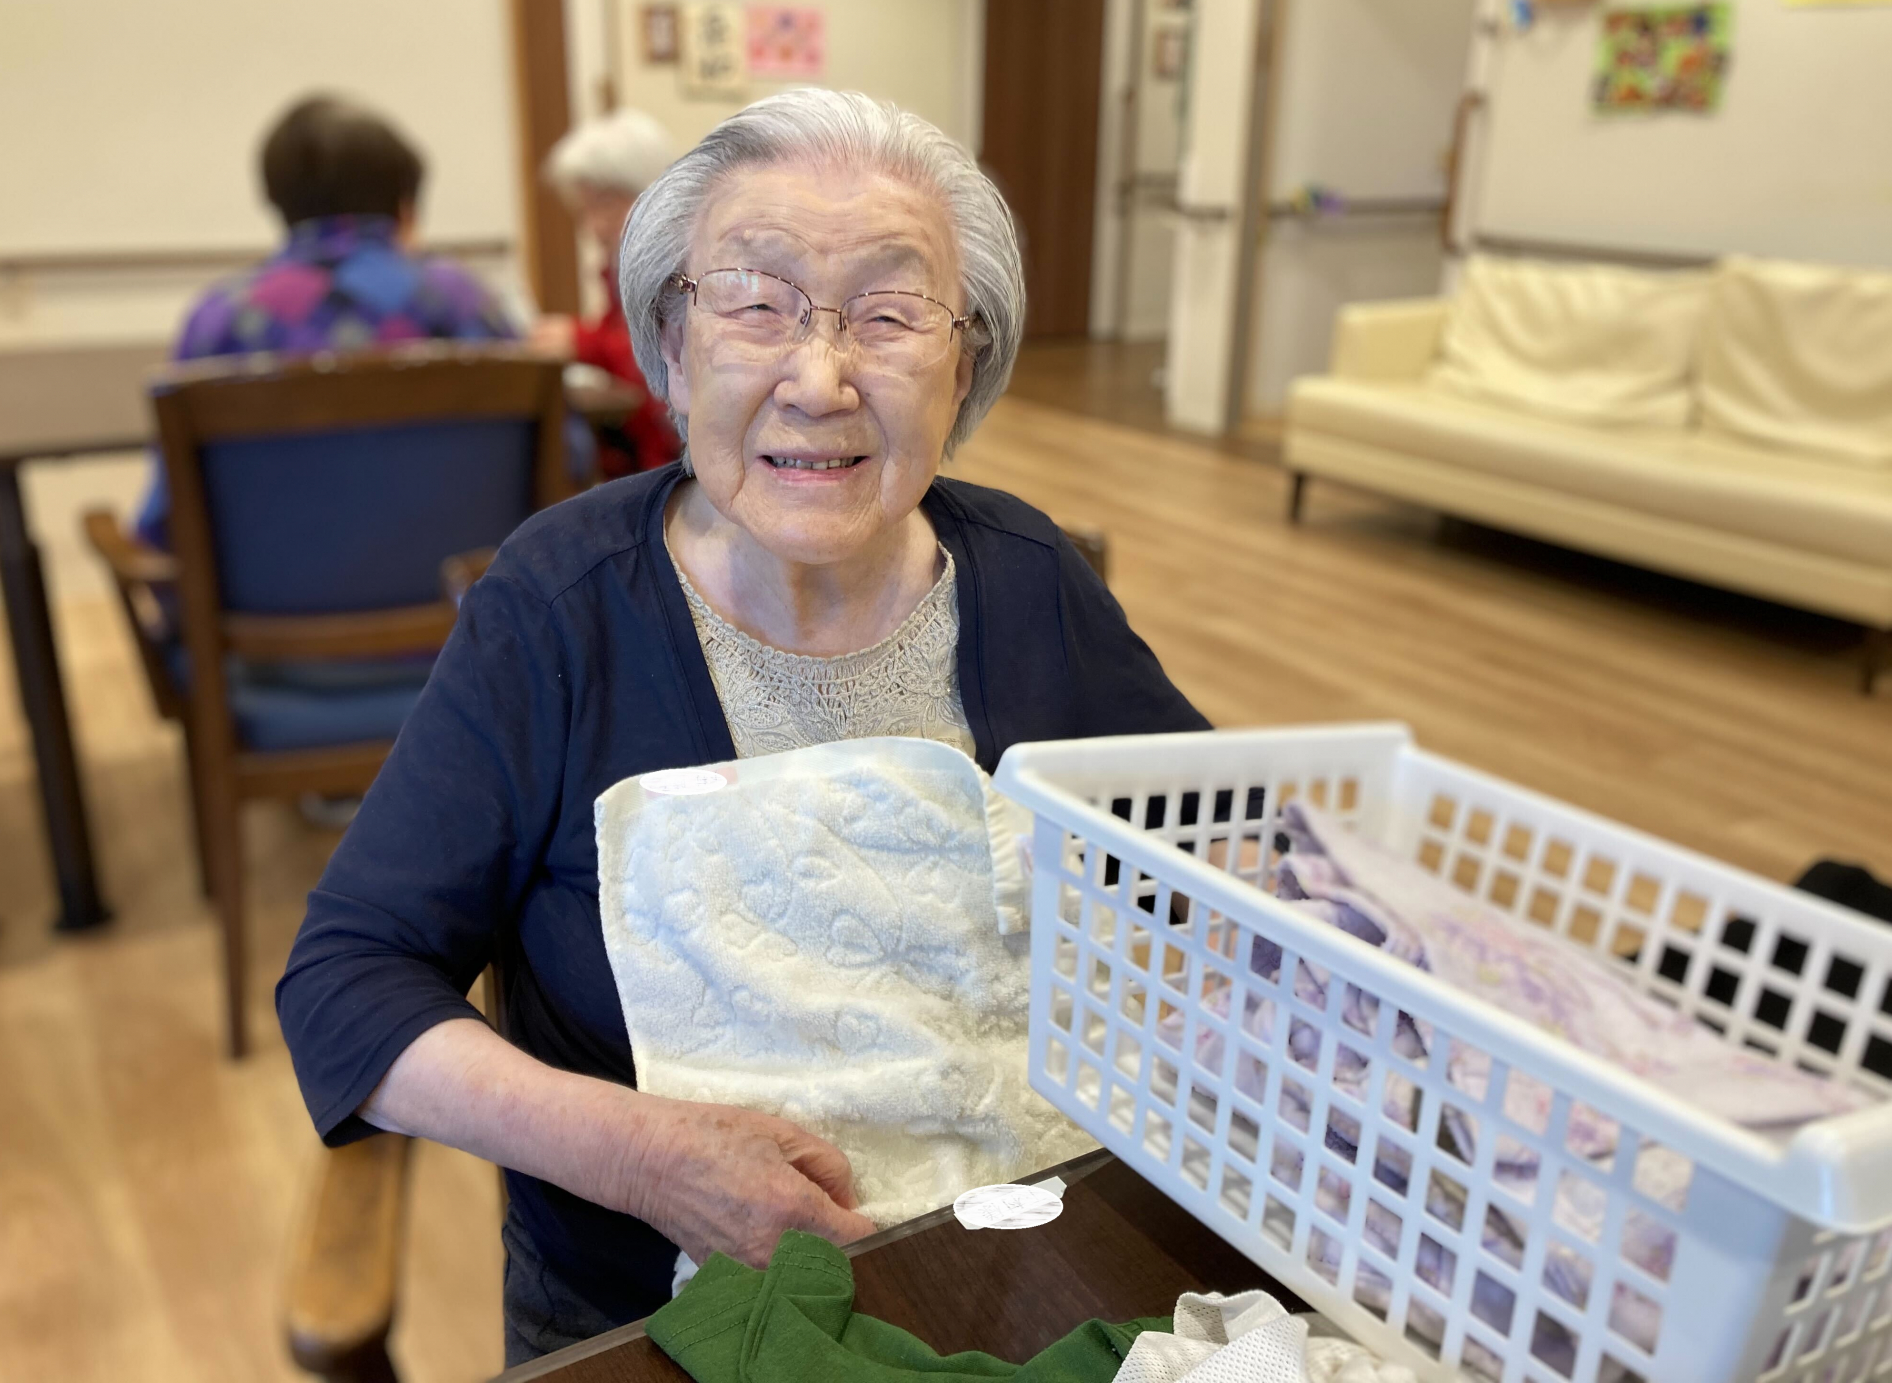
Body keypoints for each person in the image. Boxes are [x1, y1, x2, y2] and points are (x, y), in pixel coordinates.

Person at [276, 89, 1209, 1365]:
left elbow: (1221, 870)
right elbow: (345, 981)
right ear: (671, 346)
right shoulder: (559, 608)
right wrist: (642, 1156)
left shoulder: (1029, 579)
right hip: (663, 1324)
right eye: (756, 304)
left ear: (966, 363)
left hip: (1024, 1278)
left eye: (891, 315)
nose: (819, 380)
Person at [134, 94, 523, 549]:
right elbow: (562, 461)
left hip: (273, 592)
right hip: (469, 588)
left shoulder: (222, 318)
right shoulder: (463, 300)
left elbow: (167, 518)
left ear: (275, 198)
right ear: (403, 198)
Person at [533, 108, 684, 476]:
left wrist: (580, 341)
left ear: (653, 194)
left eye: (606, 204)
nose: (595, 227)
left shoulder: (677, 265)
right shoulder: (619, 266)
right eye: (585, 210)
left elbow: (654, 362)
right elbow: (617, 331)